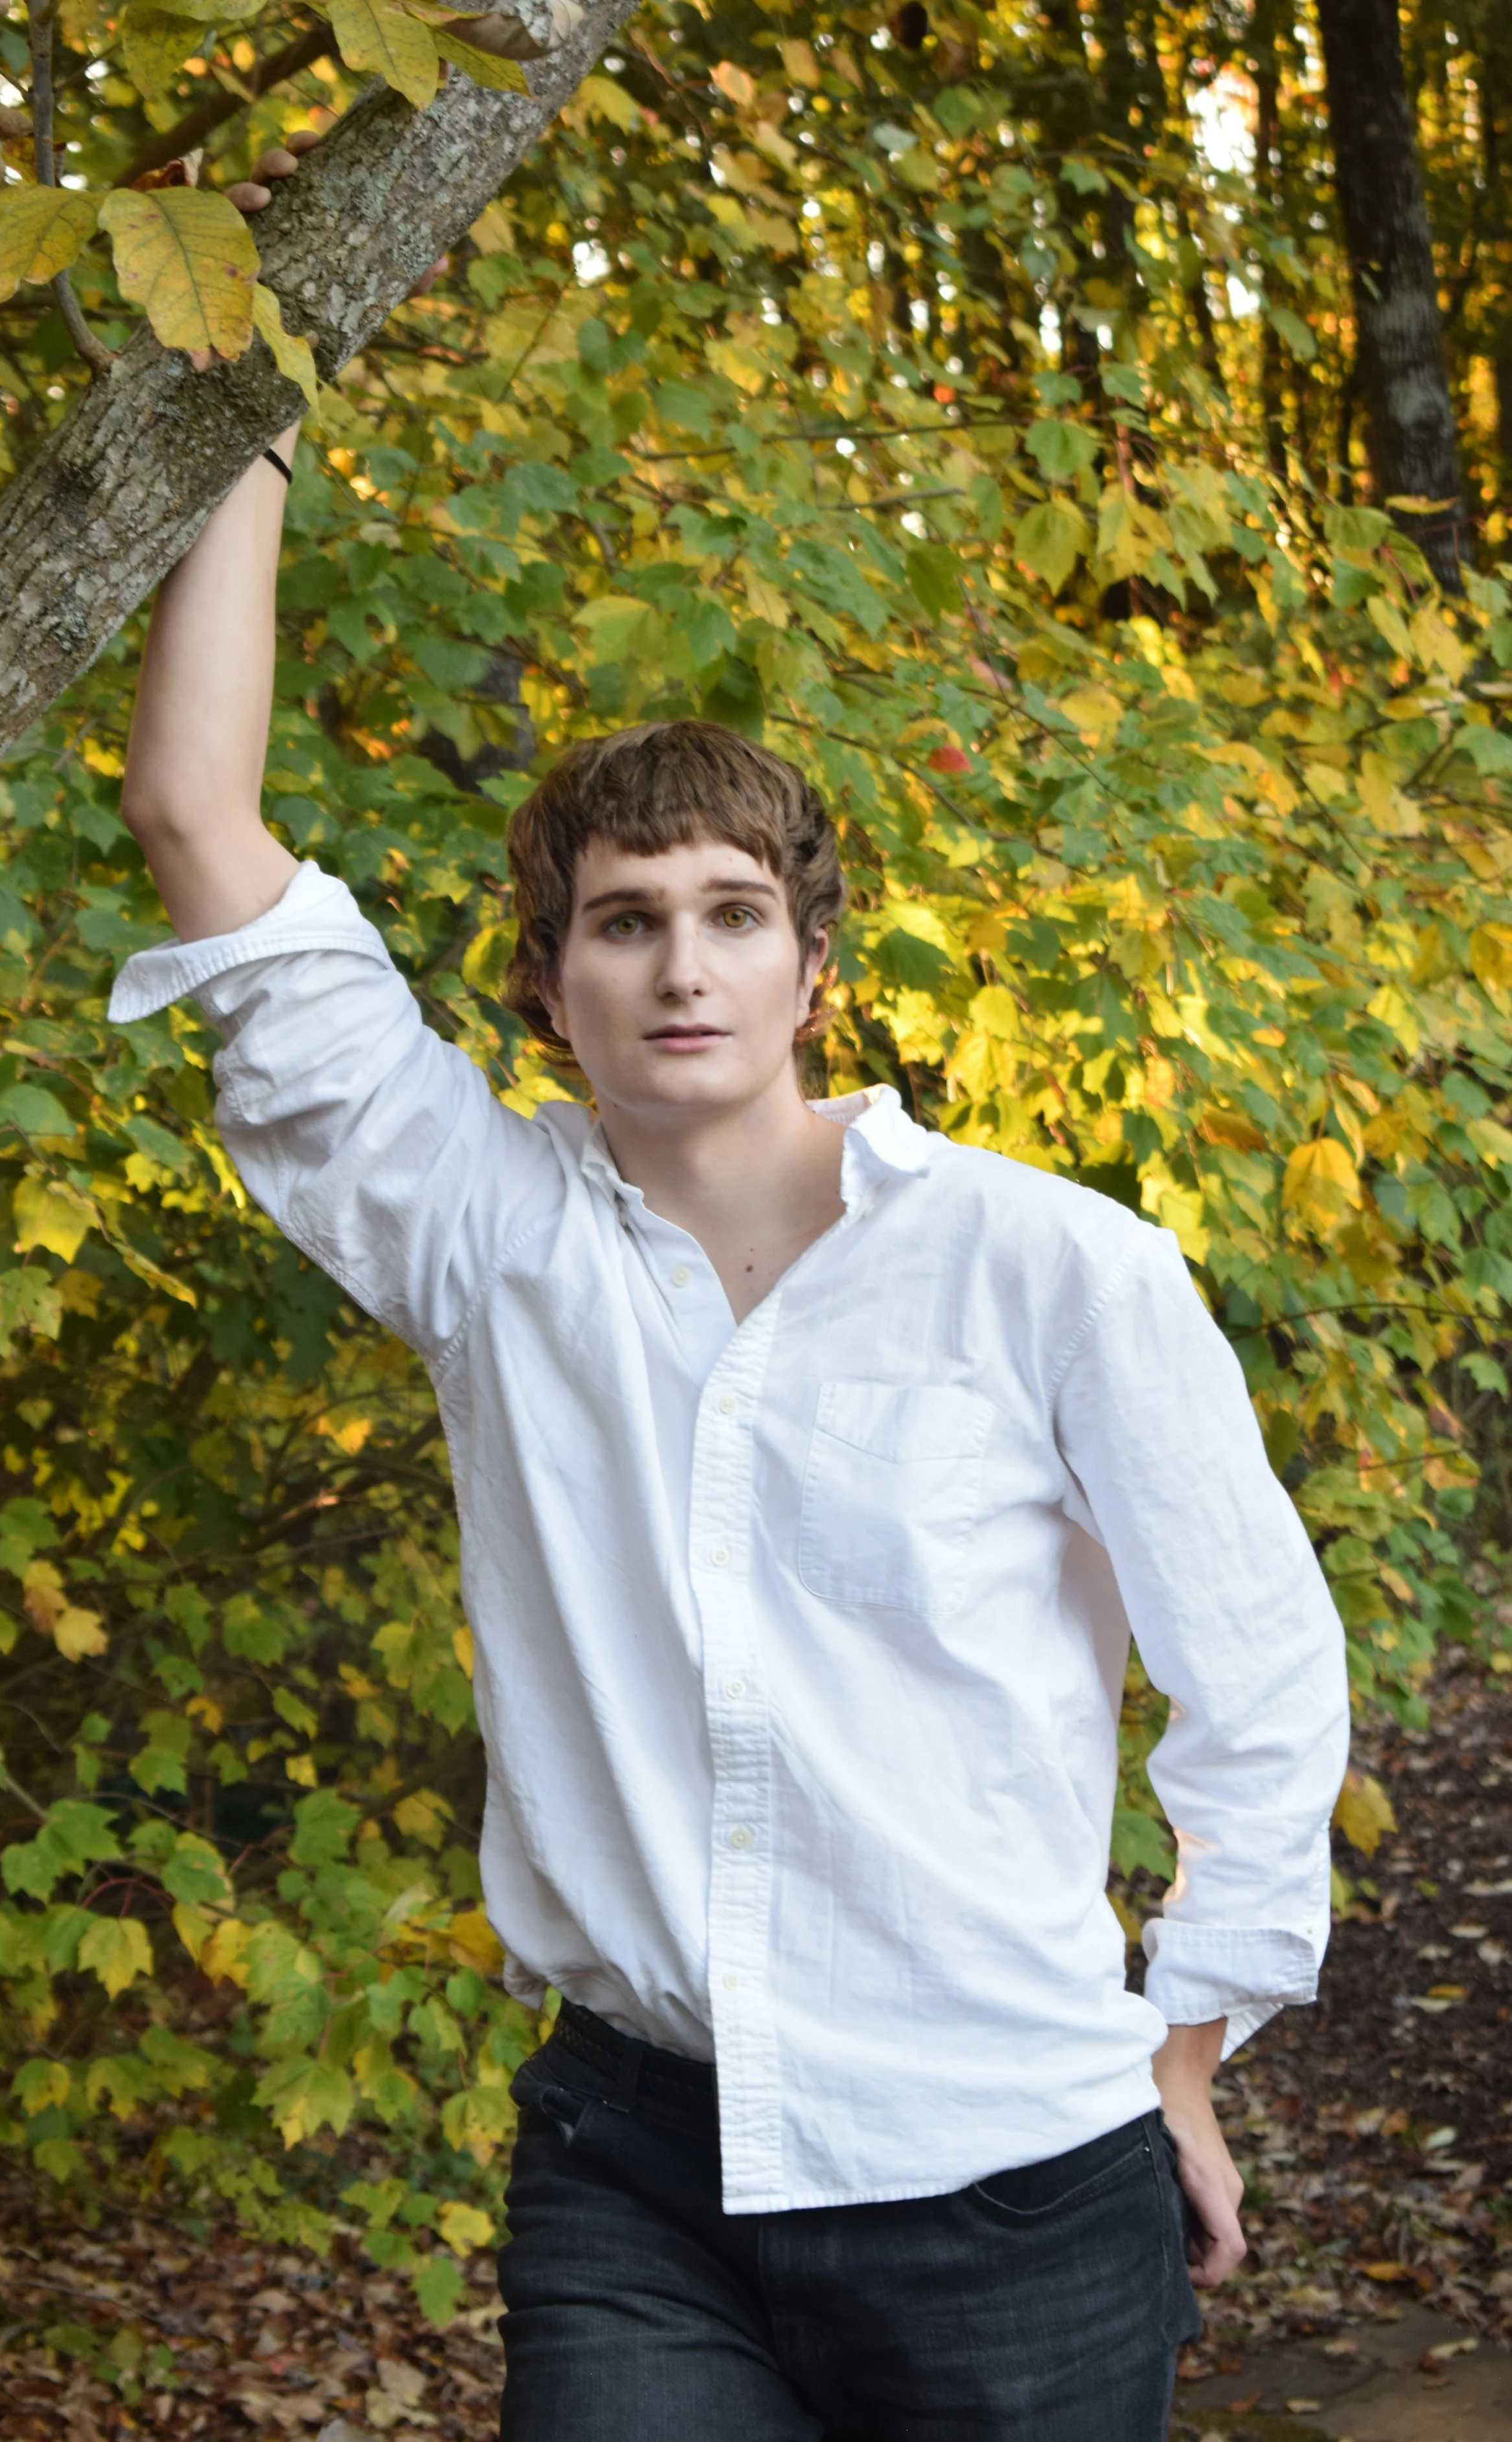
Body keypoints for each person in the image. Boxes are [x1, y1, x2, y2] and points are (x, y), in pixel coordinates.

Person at [111, 397, 1349, 2441]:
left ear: (809, 967)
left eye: (727, 912)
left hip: (1008, 2174)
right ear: (548, 983)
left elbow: (1263, 1683)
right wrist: (253, 398)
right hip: (634, 2176)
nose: (679, 964)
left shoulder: (1050, 1269)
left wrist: (1180, 2060)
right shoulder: (482, 1231)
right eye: (622, 920)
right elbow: (189, 815)